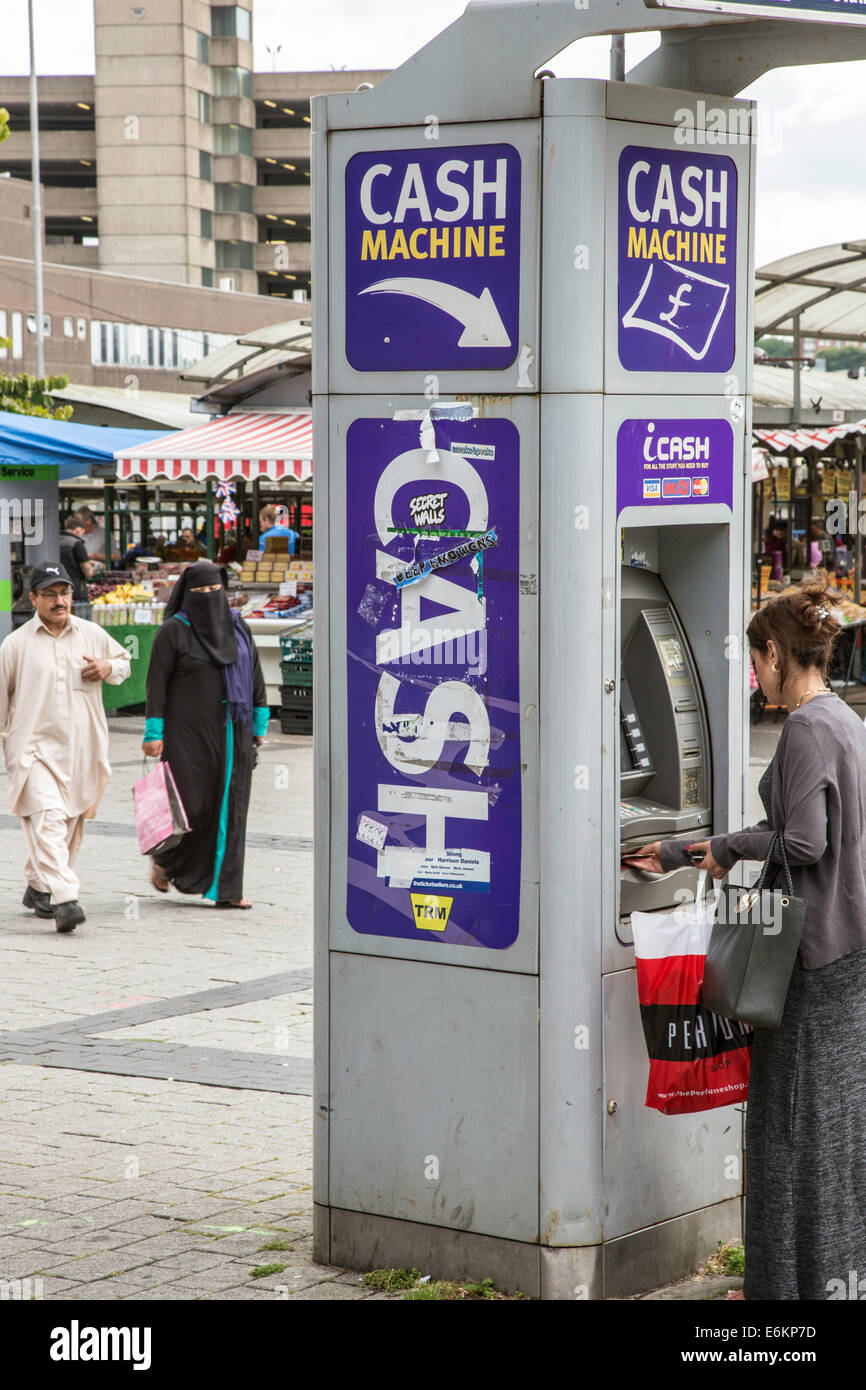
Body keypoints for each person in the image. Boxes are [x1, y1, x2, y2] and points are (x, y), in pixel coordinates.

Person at [623, 581, 866, 1301]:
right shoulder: (847, 721)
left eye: (755, 662)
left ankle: (778, 1294)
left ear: (774, 652)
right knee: (832, 1131)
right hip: (849, 952)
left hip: (809, 958)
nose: (752, 677)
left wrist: (719, 847)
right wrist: (696, 850)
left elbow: (804, 841)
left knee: (786, 1129)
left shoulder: (804, 729)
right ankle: (833, 1278)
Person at [0, 562, 131, 932]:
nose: (60, 601)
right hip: (33, 751)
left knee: (70, 824)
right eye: (50, 594)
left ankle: (39, 885)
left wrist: (106, 666)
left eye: (65, 593)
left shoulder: (90, 633)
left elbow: (124, 662)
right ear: (33, 599)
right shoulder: (16, 645)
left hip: (83, 749)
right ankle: (65, 897)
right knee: (47, 818)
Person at [142, 560, 269, 908]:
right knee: (192, 808)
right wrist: (155, 732)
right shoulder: (173, 631)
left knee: (232, 809)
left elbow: (255, 674)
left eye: (215, 590)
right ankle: (167, 861)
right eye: (200, 591)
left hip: (235, 732)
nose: (209, 596)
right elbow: (156, 686)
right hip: (187, 736)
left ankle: (228, 890)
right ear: (187, 593)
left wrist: (259, 724)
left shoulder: (238, 627)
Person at [59, 512, 94, 601]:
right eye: (83, 532)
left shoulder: (56, 540)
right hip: (75, 591)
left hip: (58, 589)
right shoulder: (77, 544)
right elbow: (88, 572)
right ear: (78, 530)